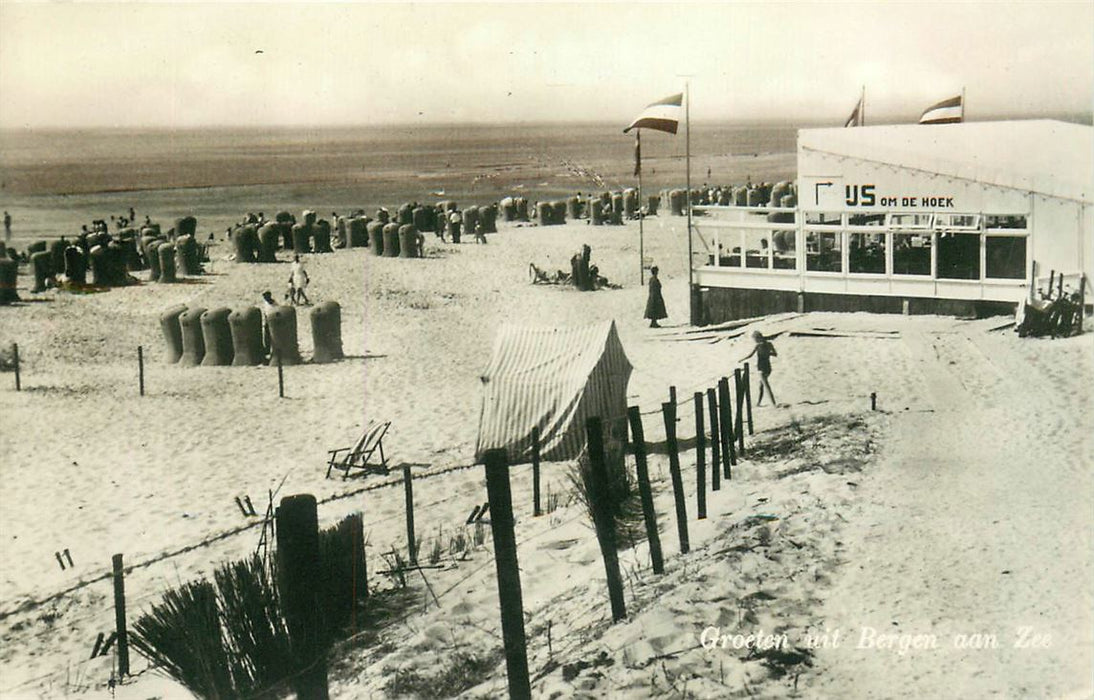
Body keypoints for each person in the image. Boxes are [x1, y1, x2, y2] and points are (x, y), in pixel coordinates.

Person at [740, 330, 778, 407]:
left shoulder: (760, 346)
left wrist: (742, 359)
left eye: (755, 339)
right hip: (767, 367)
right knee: (761, 385)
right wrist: (742, 359)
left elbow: (750, 355)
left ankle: (774, 403)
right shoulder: (768, 344)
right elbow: (775, 354)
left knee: (766, 385)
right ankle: (759, 402)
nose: (755, 341)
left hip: (762, 367)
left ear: (758, 338)